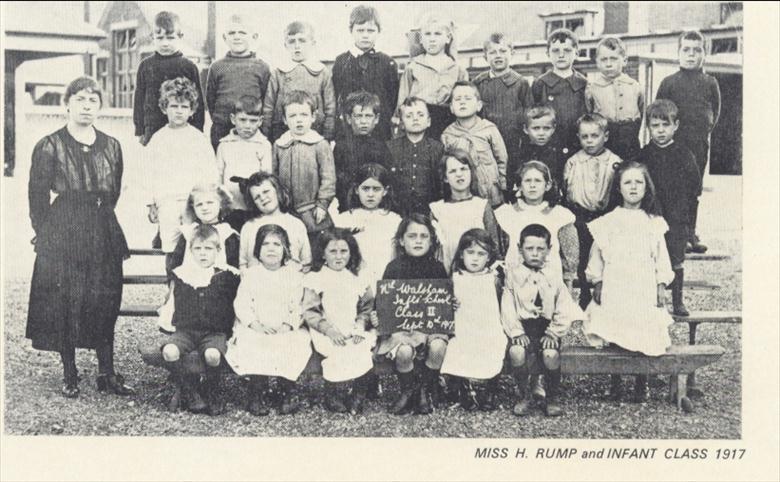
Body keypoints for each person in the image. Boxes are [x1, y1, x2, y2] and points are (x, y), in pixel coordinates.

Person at [26, 76, 133, 398]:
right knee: (67, 300)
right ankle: (70, 374)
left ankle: (107, 373)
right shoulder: (49, 145)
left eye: (93, 101)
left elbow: (112, 192)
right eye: (81, 100)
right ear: (67, 103)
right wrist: (47, 233)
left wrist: (96, 216)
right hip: (65, 229)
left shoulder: (112, 145)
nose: (87, 106)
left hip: (102, 229)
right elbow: (37, 195)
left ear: (99, 106)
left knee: (105, 297)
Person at [583, 161, 675, 402]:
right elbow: (597, 255)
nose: (633, 188)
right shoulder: (608, 222)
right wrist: (598, 281)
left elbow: (661, 257)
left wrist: (661, 285)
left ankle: (640, 381)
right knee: (615, 329)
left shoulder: (653, 222)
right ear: (618, 189)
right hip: (617, 284)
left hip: (642, 285)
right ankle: (615, 382)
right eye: (627, 182)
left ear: (647, 187)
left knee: (643, 329)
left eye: (639, 182)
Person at [225, 224, 311, 416]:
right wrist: (255, 325)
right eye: (265, 244)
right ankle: (257, 390)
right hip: (256, 326)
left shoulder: (294, 276)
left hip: (285, 327)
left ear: (285, 250)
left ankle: (286, 390)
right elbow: (242, 304)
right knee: (253, 342)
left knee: (294, 343)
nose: (271, 248)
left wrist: (287, 324)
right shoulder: (251, 275)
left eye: (277, 244)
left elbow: (297, 304)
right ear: (257, 250)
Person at [502, 224, 584, 417]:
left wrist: (554, 332)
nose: (535, 254)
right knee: (516, 351)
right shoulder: (513, 276)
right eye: (529, 249)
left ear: (549, 249)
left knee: (550, 354)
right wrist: (516, 332)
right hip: (524, 328)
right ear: (520, 249)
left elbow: (564, 307)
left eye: (540, 249)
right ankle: (524, 395)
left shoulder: (554, 276)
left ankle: (552, 397)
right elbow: (507, 307)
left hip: (547, 328)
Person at [160, 225, 240, 415]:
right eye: (198, 248)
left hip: (214, 332)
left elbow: (236, 307)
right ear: (191, 251)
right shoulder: (181, 275)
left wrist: (234, 332)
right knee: (169, 352)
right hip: (185, 332)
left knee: (212, 355)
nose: (203, 254)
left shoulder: (227, 276)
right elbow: (171, 306)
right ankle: (189, 389)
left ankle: (212, 390)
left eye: (208, 249)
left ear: (218, 251)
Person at [656, 30, 721, 254]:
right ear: (678, 53)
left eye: (697, 50)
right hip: (674, 147)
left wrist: (703, 131)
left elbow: (715, 112)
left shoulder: (710, 82)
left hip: (699, 146)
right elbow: (659, 113)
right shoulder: (669, 82)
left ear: (705, 53)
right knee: (673, 188)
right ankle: (675, 234)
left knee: (693, 189)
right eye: (686, 50)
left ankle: (691, 233)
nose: (691, 55)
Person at [146, 77, 219, 275]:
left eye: (184, 106)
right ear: (164, 108)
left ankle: (193, 293)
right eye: (174, 106)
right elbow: (148, 173)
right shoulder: (158, 139)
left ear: (192, 110)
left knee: (194, 245)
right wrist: (151, 203)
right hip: (167, 203)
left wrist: (208, 202)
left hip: (193, 204)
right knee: (171, 249)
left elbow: (210, 173)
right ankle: (171, 290)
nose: (179, 111)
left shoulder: (198, 139)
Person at [378, 214, 449, 415]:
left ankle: (424, 388)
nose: (418, 241)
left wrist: (450, 302)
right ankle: (408, 390)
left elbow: (442, 302)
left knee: (437, 347)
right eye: (412, 236)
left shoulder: (436, 268)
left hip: (430, 328)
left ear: (431, 240)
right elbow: (386, 303)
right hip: (403, 330)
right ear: (401, 240)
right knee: (404, 352)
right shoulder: (393, 268)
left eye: (423, 236)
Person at [636, 100, 701, 316]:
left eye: (666, 124)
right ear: (648, 128)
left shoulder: (684, 154)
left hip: (677, 217)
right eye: (655, 126)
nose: (661, 130)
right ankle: (649, 299)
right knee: (650, 257)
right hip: (651, 216)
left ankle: (678, 301)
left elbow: (695, 190)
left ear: (676, 125)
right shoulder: (644, 155)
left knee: (675, 259)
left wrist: (689, 225)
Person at [302, 229, 377, 414]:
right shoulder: (316, 278)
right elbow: (311, 312)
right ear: (322, 253)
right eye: (332, 251)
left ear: (351, 253)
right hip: (327, 329)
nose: (338, 256)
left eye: (343, 251)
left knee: (361, 347)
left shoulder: (358, 278)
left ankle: (358, 394)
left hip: (353, 327)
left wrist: (360, 326)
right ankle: (332, 395)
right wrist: (330, 331)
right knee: (336, 350)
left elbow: (366, 308)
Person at [158, 183, 240, 333]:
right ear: (193, 208)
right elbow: (176, 264)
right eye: (199, 204)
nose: (205, 207)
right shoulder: (189, 233)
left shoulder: (228, 233)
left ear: (221, 204)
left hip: (220, 293)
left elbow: (234, 267)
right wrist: (171, 287)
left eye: (210, 202)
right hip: (190, 292)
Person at [439, 229, 506, 411]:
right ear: (461, 254)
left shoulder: (493, 279)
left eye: (481, 254)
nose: (475, 258)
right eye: (470, 253)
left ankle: (490, 390)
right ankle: (464, 389)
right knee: (457, 347)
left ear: (489, 256)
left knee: (494, 345)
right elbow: (444, 305)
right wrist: (449, 304)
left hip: (487, 326)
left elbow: (501, 304)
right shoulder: (455, 278)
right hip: (464, 325)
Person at [562, 113, 623, 308]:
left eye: (594, 136)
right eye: (584, 137)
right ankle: (584, 294)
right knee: (582, 253)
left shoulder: (614, 161)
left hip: (603, 214)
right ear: (578, 137)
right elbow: (567, 186)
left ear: (605, 136)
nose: (589, 141)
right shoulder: (573, 161)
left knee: (603, 252)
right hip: (580, 214)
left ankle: (603, 288)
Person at [495, 161, 578, 289]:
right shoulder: (506, 214)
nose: (532, 185)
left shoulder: (561, 215)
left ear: (548, 185)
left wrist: (568, 284)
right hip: (515, 284)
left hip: (550, 283)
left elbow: (569, 258)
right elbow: (500, 251)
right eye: (527, 181)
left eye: (538, 181)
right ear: (519, 185)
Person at [272, 90, 337, 249]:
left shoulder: (320, 144)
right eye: (293, 116)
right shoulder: (280, 145)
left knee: (316, 248)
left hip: (312, 210)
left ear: (313, 117)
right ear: (285, 120)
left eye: (304, 115)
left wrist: (322, 205)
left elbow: (329, 178)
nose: (299, 120)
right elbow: (273, 177)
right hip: (287, 211)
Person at [133, 11, 204, 146]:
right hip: (153, 127)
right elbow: (139, 99)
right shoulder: (145, 66)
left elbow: (198, 103)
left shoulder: (189, 67)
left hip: (182, 128)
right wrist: (140, 130)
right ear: (152, 37)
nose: (165, 43)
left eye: (170, 38)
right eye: (159, 38)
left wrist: (198, 130)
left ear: (180, 37)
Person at [332, 5, 399, 140]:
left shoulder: (387, 62)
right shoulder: (341, 61)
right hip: (349, 129)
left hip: (380, 129)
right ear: (351, 30)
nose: (365, 35)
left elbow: (392, 97)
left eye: (370, 30)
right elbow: (336, 94)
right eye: (360, 30)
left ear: (378, 31)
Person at [205, 14, 271, 152]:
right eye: (232, 33)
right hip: (222, 130)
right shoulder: (217, 66)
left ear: (254, 37)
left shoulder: (261, 67)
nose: (237, 36)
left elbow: (266, 99)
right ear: (224, 38)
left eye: (242, 32)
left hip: (251, 129)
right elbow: (211, 99)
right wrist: (221, 120)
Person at [396, 14, 469, 140]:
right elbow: (402, 100)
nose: (432, 39)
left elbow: (464, 100)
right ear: (421, 39)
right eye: (428, 34)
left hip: (448, 122)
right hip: (418, 122)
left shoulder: (457, 69)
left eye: (437, 34)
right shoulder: (413, 67)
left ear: (448, 38)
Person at [262, 21, 336, 143]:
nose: (297, 46)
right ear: (285, 45)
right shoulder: (278, 73)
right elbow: (268, 107)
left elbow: (330, 108)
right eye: (292, 41)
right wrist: (266, 136)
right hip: (282, 135)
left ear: (312, 43)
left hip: (316, 135)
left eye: (302, 41)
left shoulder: (322, 72)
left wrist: (327, 137)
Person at [429, 149, 500, 273]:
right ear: (445, 178)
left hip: (478, 277)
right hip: (446, 277)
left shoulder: (481, 206)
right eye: (452, 171)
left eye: (463, 169)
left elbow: (493, 245)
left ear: (471, 173)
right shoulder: (437, 209)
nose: (459, 174)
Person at [330, 163, 402, 285]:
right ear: (357, 190)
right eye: (365, 188)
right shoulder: (344, 219)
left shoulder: (394, 220)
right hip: (353, 281)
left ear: (385, 191)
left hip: (385, 280)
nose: (370, 194)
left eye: (376, 189)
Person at [440, 81, 508, 208]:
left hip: (490, 191)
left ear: (478, 105)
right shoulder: (448, 135)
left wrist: (502, 185)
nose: (462, 102)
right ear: (451, 108)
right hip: (464, 192)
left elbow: (502, 158)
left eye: (468, 98)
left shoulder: (489, 129)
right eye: (458, 99)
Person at [473, 32, 533, 174]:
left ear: (512, 53)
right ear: (485, 57)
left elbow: (528, 116)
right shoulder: (478, 83)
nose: (498, 56)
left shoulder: (521, 83)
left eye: (503, 51)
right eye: (493, 52)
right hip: (485, 146)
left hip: (512, 145)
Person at [236, 172, 312, 273]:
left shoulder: (296, 224)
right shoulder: (248, 227)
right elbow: (243, 265)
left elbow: (306, 263)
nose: (263, 198)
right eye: (257, 197)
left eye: (266, 191)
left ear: (277, 190)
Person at [585, 36, 644, 162]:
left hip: (630, 143)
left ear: (624, 60)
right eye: (604, 59)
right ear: (597, 62)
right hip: (605, 144)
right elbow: (589, 115)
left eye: (613, 59)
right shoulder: (592, 89)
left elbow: (641, 113)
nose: (608, 64)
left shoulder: (635, 86)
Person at [531, 28, 588, 158]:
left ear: (577, 53)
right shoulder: (540, 84)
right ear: (548, 53)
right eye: (555, 51)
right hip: (547, 151)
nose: (561, 55)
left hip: (577, 151)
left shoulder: (584, 85)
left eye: (567, 50)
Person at [333, 91, 393, 212]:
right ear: (349, 118)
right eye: (359, 116)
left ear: (376, 119)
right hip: (348, 205)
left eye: (368, 116)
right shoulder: (341, 147)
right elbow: (338, 180)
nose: (363, 121)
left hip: (376, 205)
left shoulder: (382, 147)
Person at [386, 97, 444, 215]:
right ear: (402, 123)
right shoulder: (390, 148)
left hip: (429, 210)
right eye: (409, 116)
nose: (415, 119)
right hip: (397, 210)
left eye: (420, 115)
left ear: (428, 122)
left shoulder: (437, 148)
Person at [216, 95, 273, 210]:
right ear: (233, 119)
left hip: (255, 204)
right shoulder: (224, 144)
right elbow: (218, 175)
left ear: (260, 121)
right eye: (242, 120)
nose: (247, 125)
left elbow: (266, 177)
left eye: (253, 121)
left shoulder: (263, 145)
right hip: (230, 204)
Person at [513, 105, 567, 195]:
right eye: (536, 128)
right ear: (526, 129)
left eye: (546, 128)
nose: (541, 133)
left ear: (553, 128)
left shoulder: (557, 153)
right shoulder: (522, 153)